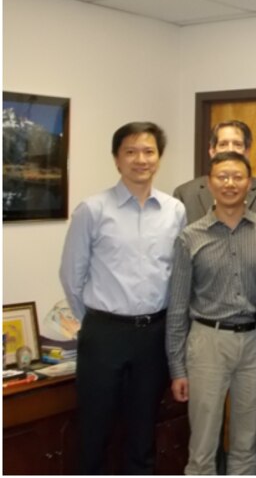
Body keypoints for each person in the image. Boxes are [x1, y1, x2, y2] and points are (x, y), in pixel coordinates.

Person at [59, 121, 186, 474]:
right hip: (105, 334)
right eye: (130, 152)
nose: (140, 159)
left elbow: (176, 275)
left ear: (158, 158)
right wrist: (97, 324)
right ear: (116, 159)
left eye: (148, 151)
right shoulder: (93, 209)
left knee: (143, 431)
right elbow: (71, 275)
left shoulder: (174, 211)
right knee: (95, 431)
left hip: (153, 335)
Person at [166, 151, 256, 474]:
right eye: (222, 177)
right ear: (209, 183)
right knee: (202, 445)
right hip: (207, 342)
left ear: (250, 184)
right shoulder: (190, 237)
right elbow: (177, 306)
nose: (230, 184)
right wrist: (177, 368)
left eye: (238, 177)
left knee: (246, 444)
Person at [173, 119, 256, 225]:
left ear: (247, 152)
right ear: (212, 151)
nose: (230, 150)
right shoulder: (185, 194)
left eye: (237, 144)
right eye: (223, 144)